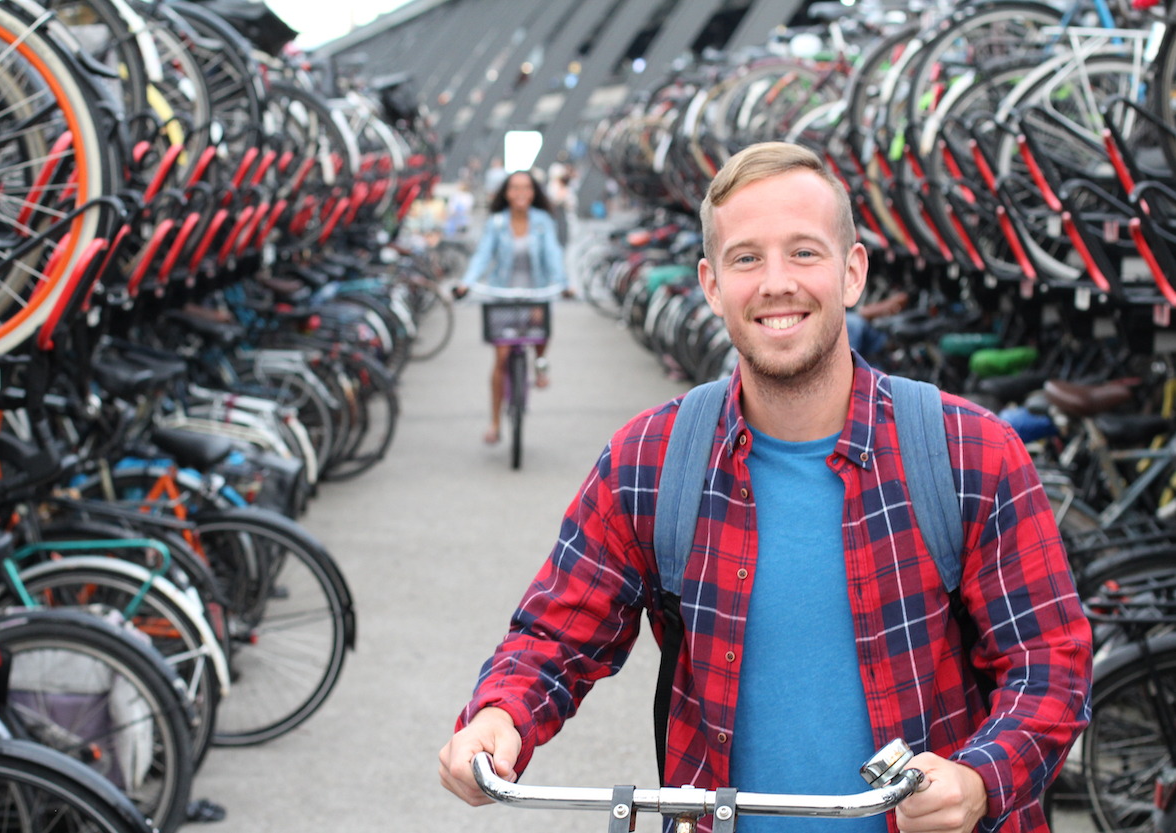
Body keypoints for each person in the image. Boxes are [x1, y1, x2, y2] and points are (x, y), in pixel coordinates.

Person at [439, 142, 1092, 833]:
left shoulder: (969, 451)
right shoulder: (651, 460)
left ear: (853, 271)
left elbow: (1050, 661)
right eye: (746, 258)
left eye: (805, 252)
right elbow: (554, 633)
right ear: (712, 284)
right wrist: (499, 715)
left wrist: (980, 777)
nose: (776, 282)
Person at [454, 170, 566, 445]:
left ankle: (540, 365)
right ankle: (494, 422)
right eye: (514, 188)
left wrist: (565, 282)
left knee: (541, 330)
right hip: (501, 296)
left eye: (526, 188)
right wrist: (467, 282)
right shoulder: (496, 223)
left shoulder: (542, 222)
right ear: (506, 192)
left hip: (535, 293)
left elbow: (553, 253)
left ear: (533, 192)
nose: (520, 193)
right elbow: (482, 256)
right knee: (501, 359)